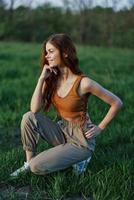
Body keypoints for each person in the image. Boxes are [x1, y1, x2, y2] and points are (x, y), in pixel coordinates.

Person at [10, 33, 123, 177]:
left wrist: (100, 128)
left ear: (65, 53)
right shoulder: (52, 79)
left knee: (36, 167)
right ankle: (28, 162)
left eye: (51, 51)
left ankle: (82, 157)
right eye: (46, 52)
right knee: (28, 117)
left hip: (81, 140)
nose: (46, 56)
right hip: (62, 131)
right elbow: (34, 109)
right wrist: (41, 79)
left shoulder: (84, 83)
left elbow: (116, 102)